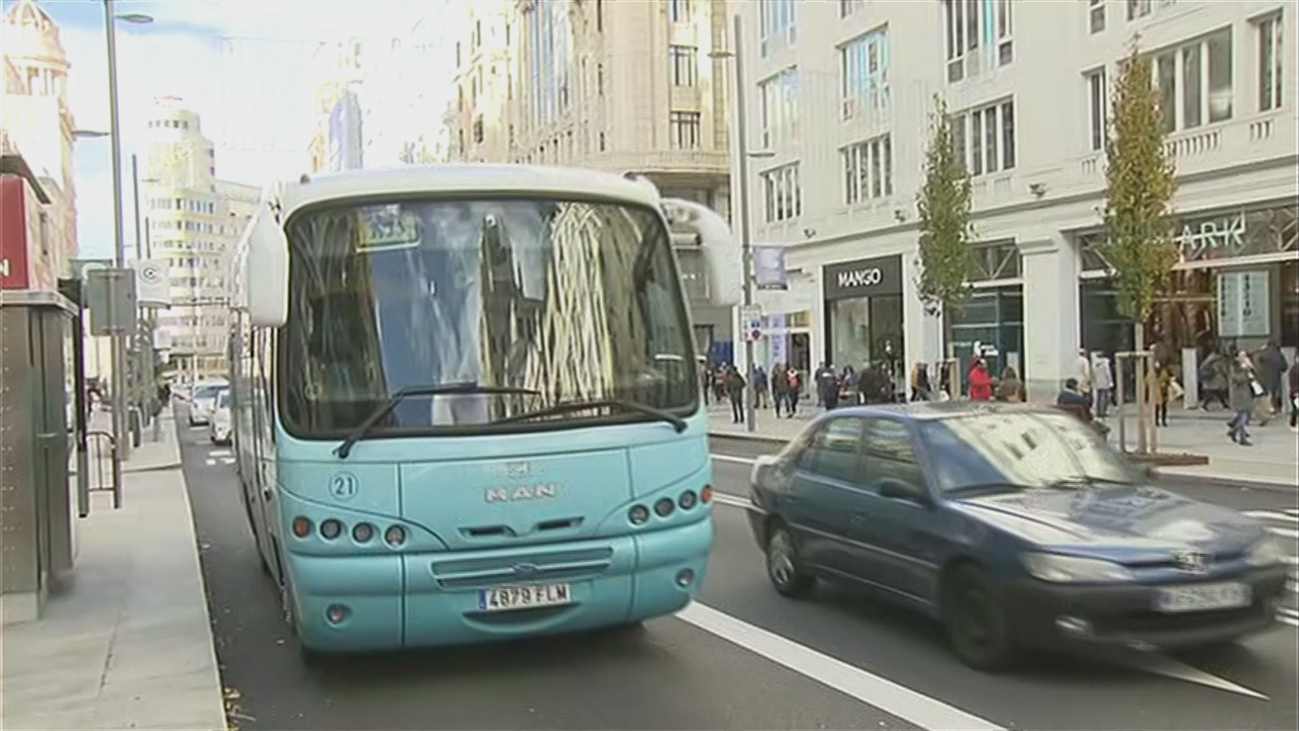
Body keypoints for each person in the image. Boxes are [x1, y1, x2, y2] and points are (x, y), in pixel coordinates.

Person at [1227, 351, 1256, 446]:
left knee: (1244, 414)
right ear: (1236, 358)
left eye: (1245, 355)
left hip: (1247, 393)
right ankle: (1242, 438)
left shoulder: (1247, 366)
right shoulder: (1234, 367)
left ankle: (1233, 429)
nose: (1244, 357)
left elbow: (1253, 377)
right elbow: (1238, 379)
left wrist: (1250, 368)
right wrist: (1244, 370)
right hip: (1238, 394)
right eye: (1242, 356)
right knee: (1243, 415)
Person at [1146, 361, 1171, 427]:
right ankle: (1156, 421)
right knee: (1156, 407)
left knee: (1164, 407)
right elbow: (1147, 381)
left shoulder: (1164, 372)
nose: (1158, 367)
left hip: (1163, 392)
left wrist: (1165, 384)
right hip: (1155, 392)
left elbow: (1168, 380)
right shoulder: (1151, 373)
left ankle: (1163, 420)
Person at [1092, 352, 1114, 418]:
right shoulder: (1105, 364)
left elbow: (1093, 374)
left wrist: (1094, 382)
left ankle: (1098, 411)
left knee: (1098, 398)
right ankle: (1103, 411)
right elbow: (1108, 373)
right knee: (1104, 397)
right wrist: (1110, 381)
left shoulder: (1094, 365)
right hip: (1105, 382)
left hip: (1097, 383)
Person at [1288, 360, 1299, 433]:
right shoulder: (1295, 370)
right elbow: (1293, 382)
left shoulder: (1294, 369)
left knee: (1295, 409)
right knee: (1296, 409)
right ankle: (1293, 424)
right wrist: (1295, 391)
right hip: (1296, 392)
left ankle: (1293, 424)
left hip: (1294, 392)